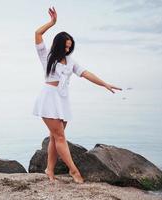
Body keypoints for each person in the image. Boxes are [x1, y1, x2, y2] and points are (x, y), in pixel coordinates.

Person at [32, 7, 122, 184]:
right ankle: (74, 171)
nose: (67, 49)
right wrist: (52, 23)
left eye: (70, 47)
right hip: (49, 99)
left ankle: (49, 170)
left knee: (54, 137)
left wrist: (104, 83)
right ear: (58, 45)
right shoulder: (46, 56)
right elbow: (37, 34)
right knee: (59, 137)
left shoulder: (71, 61)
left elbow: (86, 73)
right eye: (65, 46)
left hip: (62, 100)